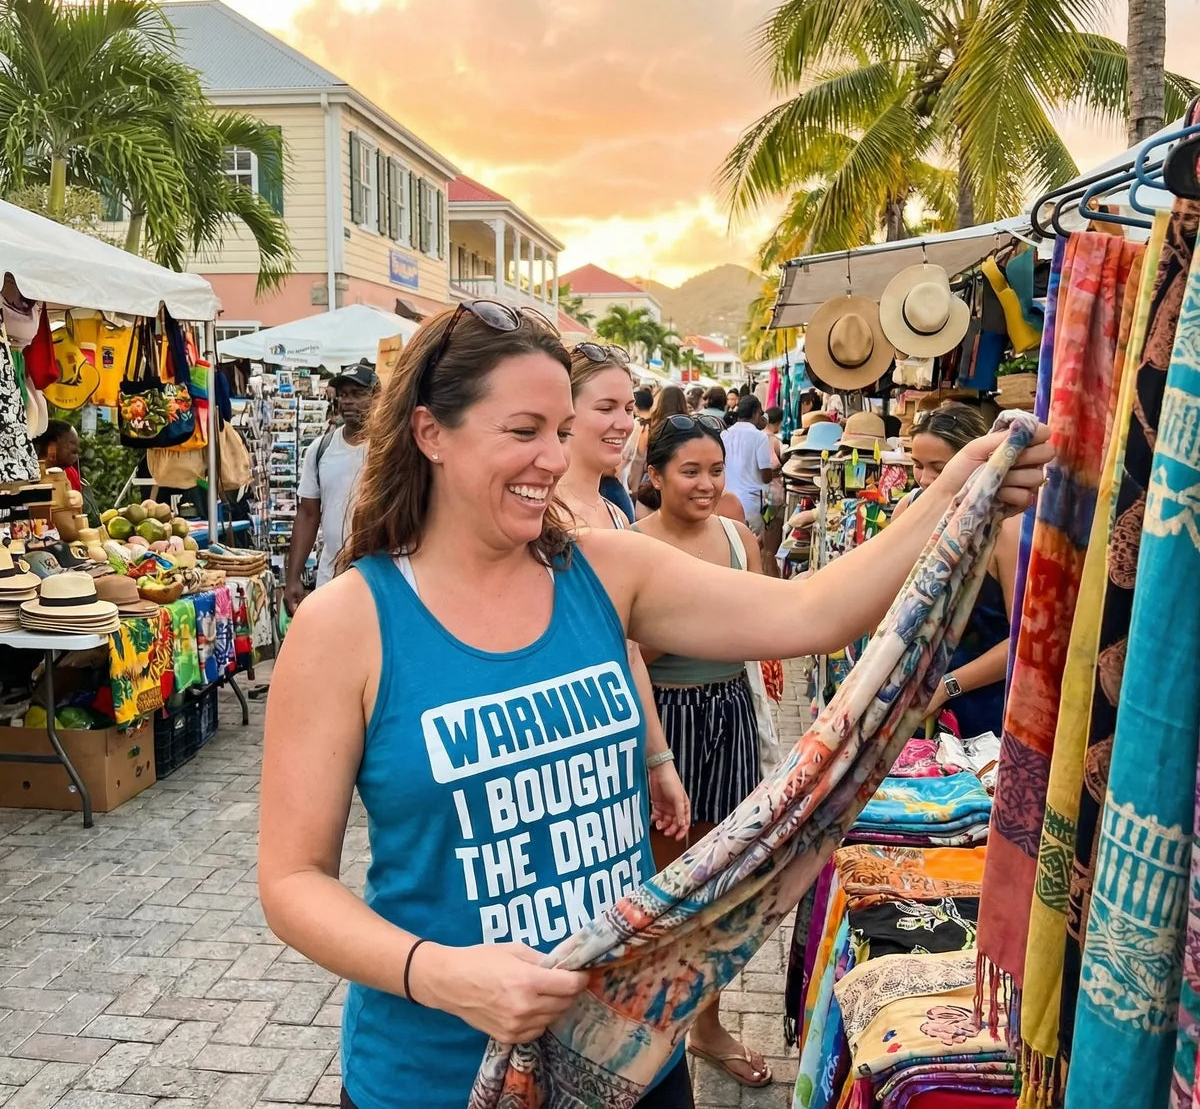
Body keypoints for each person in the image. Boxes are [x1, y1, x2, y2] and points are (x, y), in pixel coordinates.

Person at [258, 301, 1050, 1109]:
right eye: (523, 430)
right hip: (432, 1073)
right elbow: (291, 880)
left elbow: (813, 611)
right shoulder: (348, 624)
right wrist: (440, 974)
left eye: (561, 431)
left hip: (634, 1060)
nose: (551, 459)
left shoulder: (603, 573)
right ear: (431, 432)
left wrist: (955, 490)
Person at [633, 416, 772, 1088]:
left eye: (715, 470)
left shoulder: (740, 539)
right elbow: (625, 655)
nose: (707, 484)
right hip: (662, 723)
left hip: (729, 712)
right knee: (667, 884)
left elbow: (764, 623)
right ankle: (654, 1028)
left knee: (721, 880)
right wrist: (688, 618)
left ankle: (707, 1025)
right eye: (689, 471)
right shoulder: (630, 547)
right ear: (655, 476)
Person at [558, 342, 691, 843]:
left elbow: (629, 651)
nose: (623, 423)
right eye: (606, 407)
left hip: (617, 745)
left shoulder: (615, 514)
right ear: (564, 412)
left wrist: (659, 760)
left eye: (630, 409)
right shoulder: (540, 517)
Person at [891, 403, 1019, 737]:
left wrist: (947, 687)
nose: (925, 479)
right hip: (910, 701)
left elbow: (1021, 639)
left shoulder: (1005, 529)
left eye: (939, 467)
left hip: (981, 713)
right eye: (917, 465)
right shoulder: (909, 509)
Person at [283, 363, 379, 614]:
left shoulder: (390, 450)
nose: (348, 402)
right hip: (332, 577)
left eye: (357, 394)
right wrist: (293, 577)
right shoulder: (320, 449)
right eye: (343, 394)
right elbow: (308, 514)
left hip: (382, 579)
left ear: (377, 398)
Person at [721, 394, 777, 537]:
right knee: (750, 544)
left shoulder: (724, 434)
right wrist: (775, 473)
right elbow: (766, 476)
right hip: (750, 505)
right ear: (756, 413)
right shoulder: (759, 437)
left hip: (725, 501)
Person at [761, 406, 786, 578]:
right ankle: (770, 576)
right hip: (773, 498)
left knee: (764, 541)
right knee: (771, 545)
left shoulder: (756, 438)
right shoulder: (775, 442)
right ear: (777, 423)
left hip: (760, 497)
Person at [623, 385, 655, 494]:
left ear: (635, 406)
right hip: (649, 474)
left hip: (635, 474)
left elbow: (629, 452)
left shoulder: (637, 424)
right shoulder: (656, 423)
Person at [33, 421, 82, 491]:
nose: (77, 450)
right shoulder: (29, 476)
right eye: (72, 443)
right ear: (52, 448)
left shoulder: (71, 472)